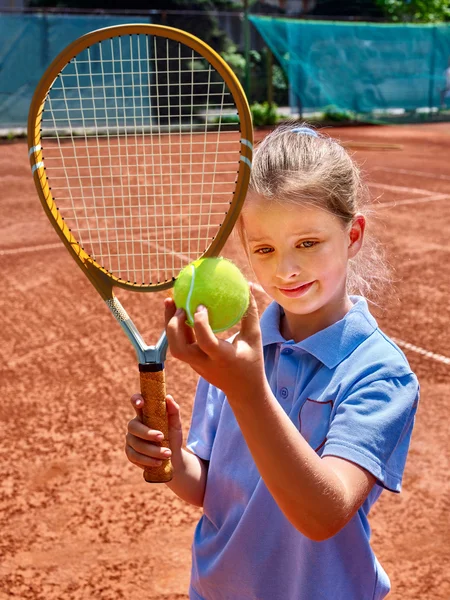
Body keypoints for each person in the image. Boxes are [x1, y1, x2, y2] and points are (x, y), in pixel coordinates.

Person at [125, 122, 419, 600]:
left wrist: (249, 392)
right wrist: (174, 458)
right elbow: (214, 489)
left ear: (353, 234)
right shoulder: (238, 357)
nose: (285, 269)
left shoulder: (379, 373)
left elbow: (323, 514)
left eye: (307, 243)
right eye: (264, 249)